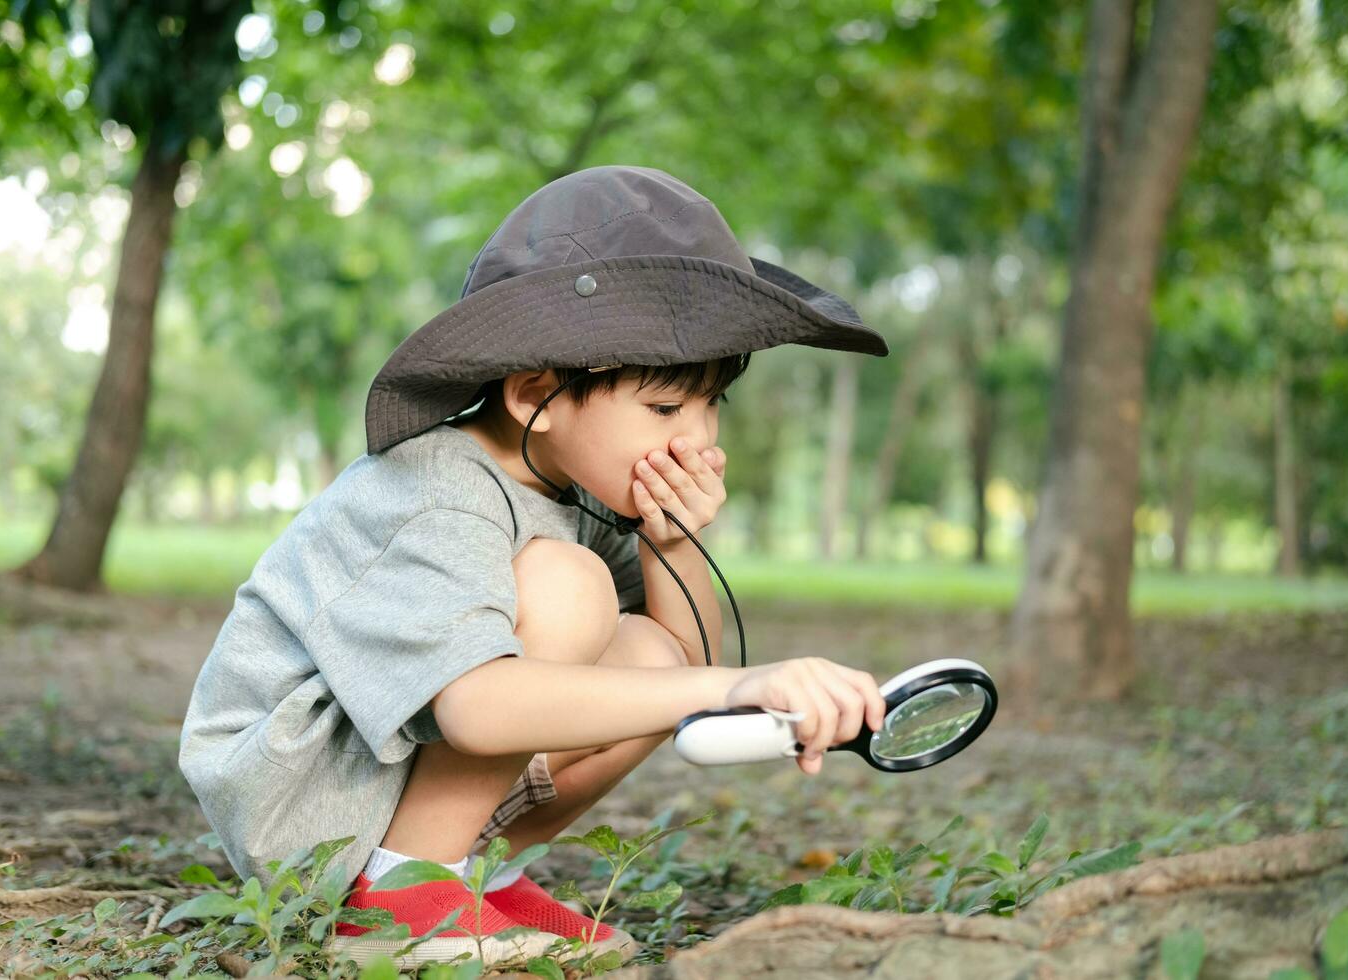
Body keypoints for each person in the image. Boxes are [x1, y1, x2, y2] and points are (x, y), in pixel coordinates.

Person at [177, 164, 891, 968]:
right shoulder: (439, 489)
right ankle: (407, 891)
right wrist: (734, 689)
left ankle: (463, 875)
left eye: (710, 403)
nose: (698, 439)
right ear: (533, 394)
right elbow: (477, 709)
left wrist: (676, 537)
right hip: (298, 789)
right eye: (665, 408)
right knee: (571, 587)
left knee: (654, 655)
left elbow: (685, 659)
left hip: (382, 777)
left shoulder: (572, 485)